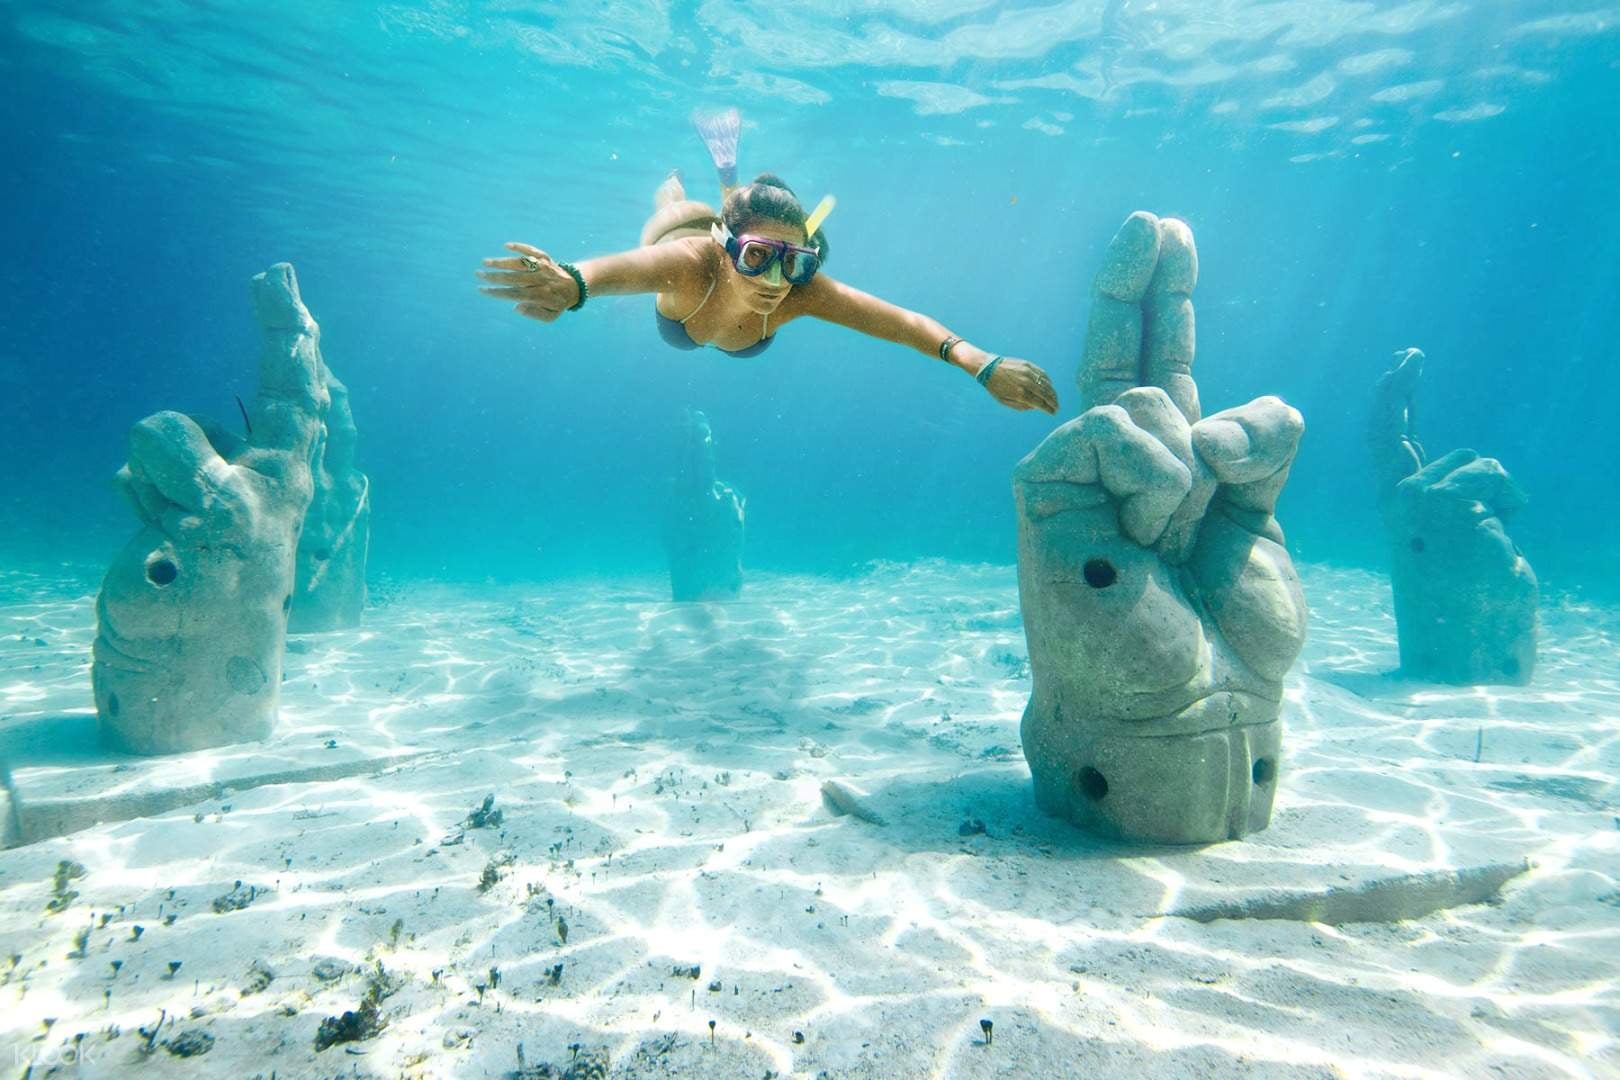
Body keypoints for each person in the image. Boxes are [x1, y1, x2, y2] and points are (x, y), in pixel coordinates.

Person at [477, 109, 1058, 414]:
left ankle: (732, 178)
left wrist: (982, 365)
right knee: (668, 214)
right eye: (758, 258)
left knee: (750, 224)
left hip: (726, 241)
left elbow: (904, 324)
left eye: (795, 262)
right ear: (726, 250)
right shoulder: (689, 261)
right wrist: (569, 284)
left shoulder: (804, 291)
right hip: (683, 240)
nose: (779, 283)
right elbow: (605, 273)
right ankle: (681, 193)